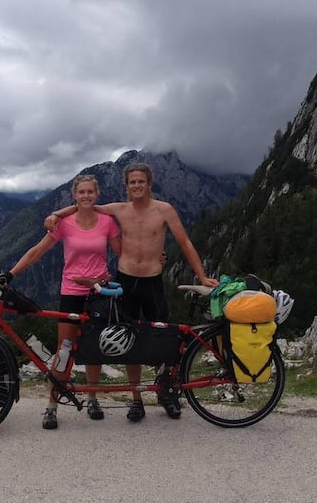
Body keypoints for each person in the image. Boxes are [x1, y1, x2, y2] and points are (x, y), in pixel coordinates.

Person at [45, 162, 218, 422]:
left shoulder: (164, 210)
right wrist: (57, 213)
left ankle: (167, 394)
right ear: (126, 186)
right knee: (129, 340)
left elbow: (184, 242)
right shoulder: (119, 210)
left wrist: (201, 275)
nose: (137, 186)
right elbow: (85, 205)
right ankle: (136, 400)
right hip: (125, 282)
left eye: (141, 181)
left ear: (149, 184)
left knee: (164, 339)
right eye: (132, 182)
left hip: (152, 282)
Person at [9, 175, 121, 430]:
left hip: (99, 293)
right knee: (64, 348)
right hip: (71, 292)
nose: (86, 196)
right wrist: (11, 274)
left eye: (90, 192)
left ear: (97, 194)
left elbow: (123, 254)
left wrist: (153, 260)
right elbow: (37, 251)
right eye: (81, 192)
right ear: (75, 195)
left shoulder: (107, 222)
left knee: (95, 348)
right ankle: (52, 406)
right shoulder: (64, 223)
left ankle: (92, 399)